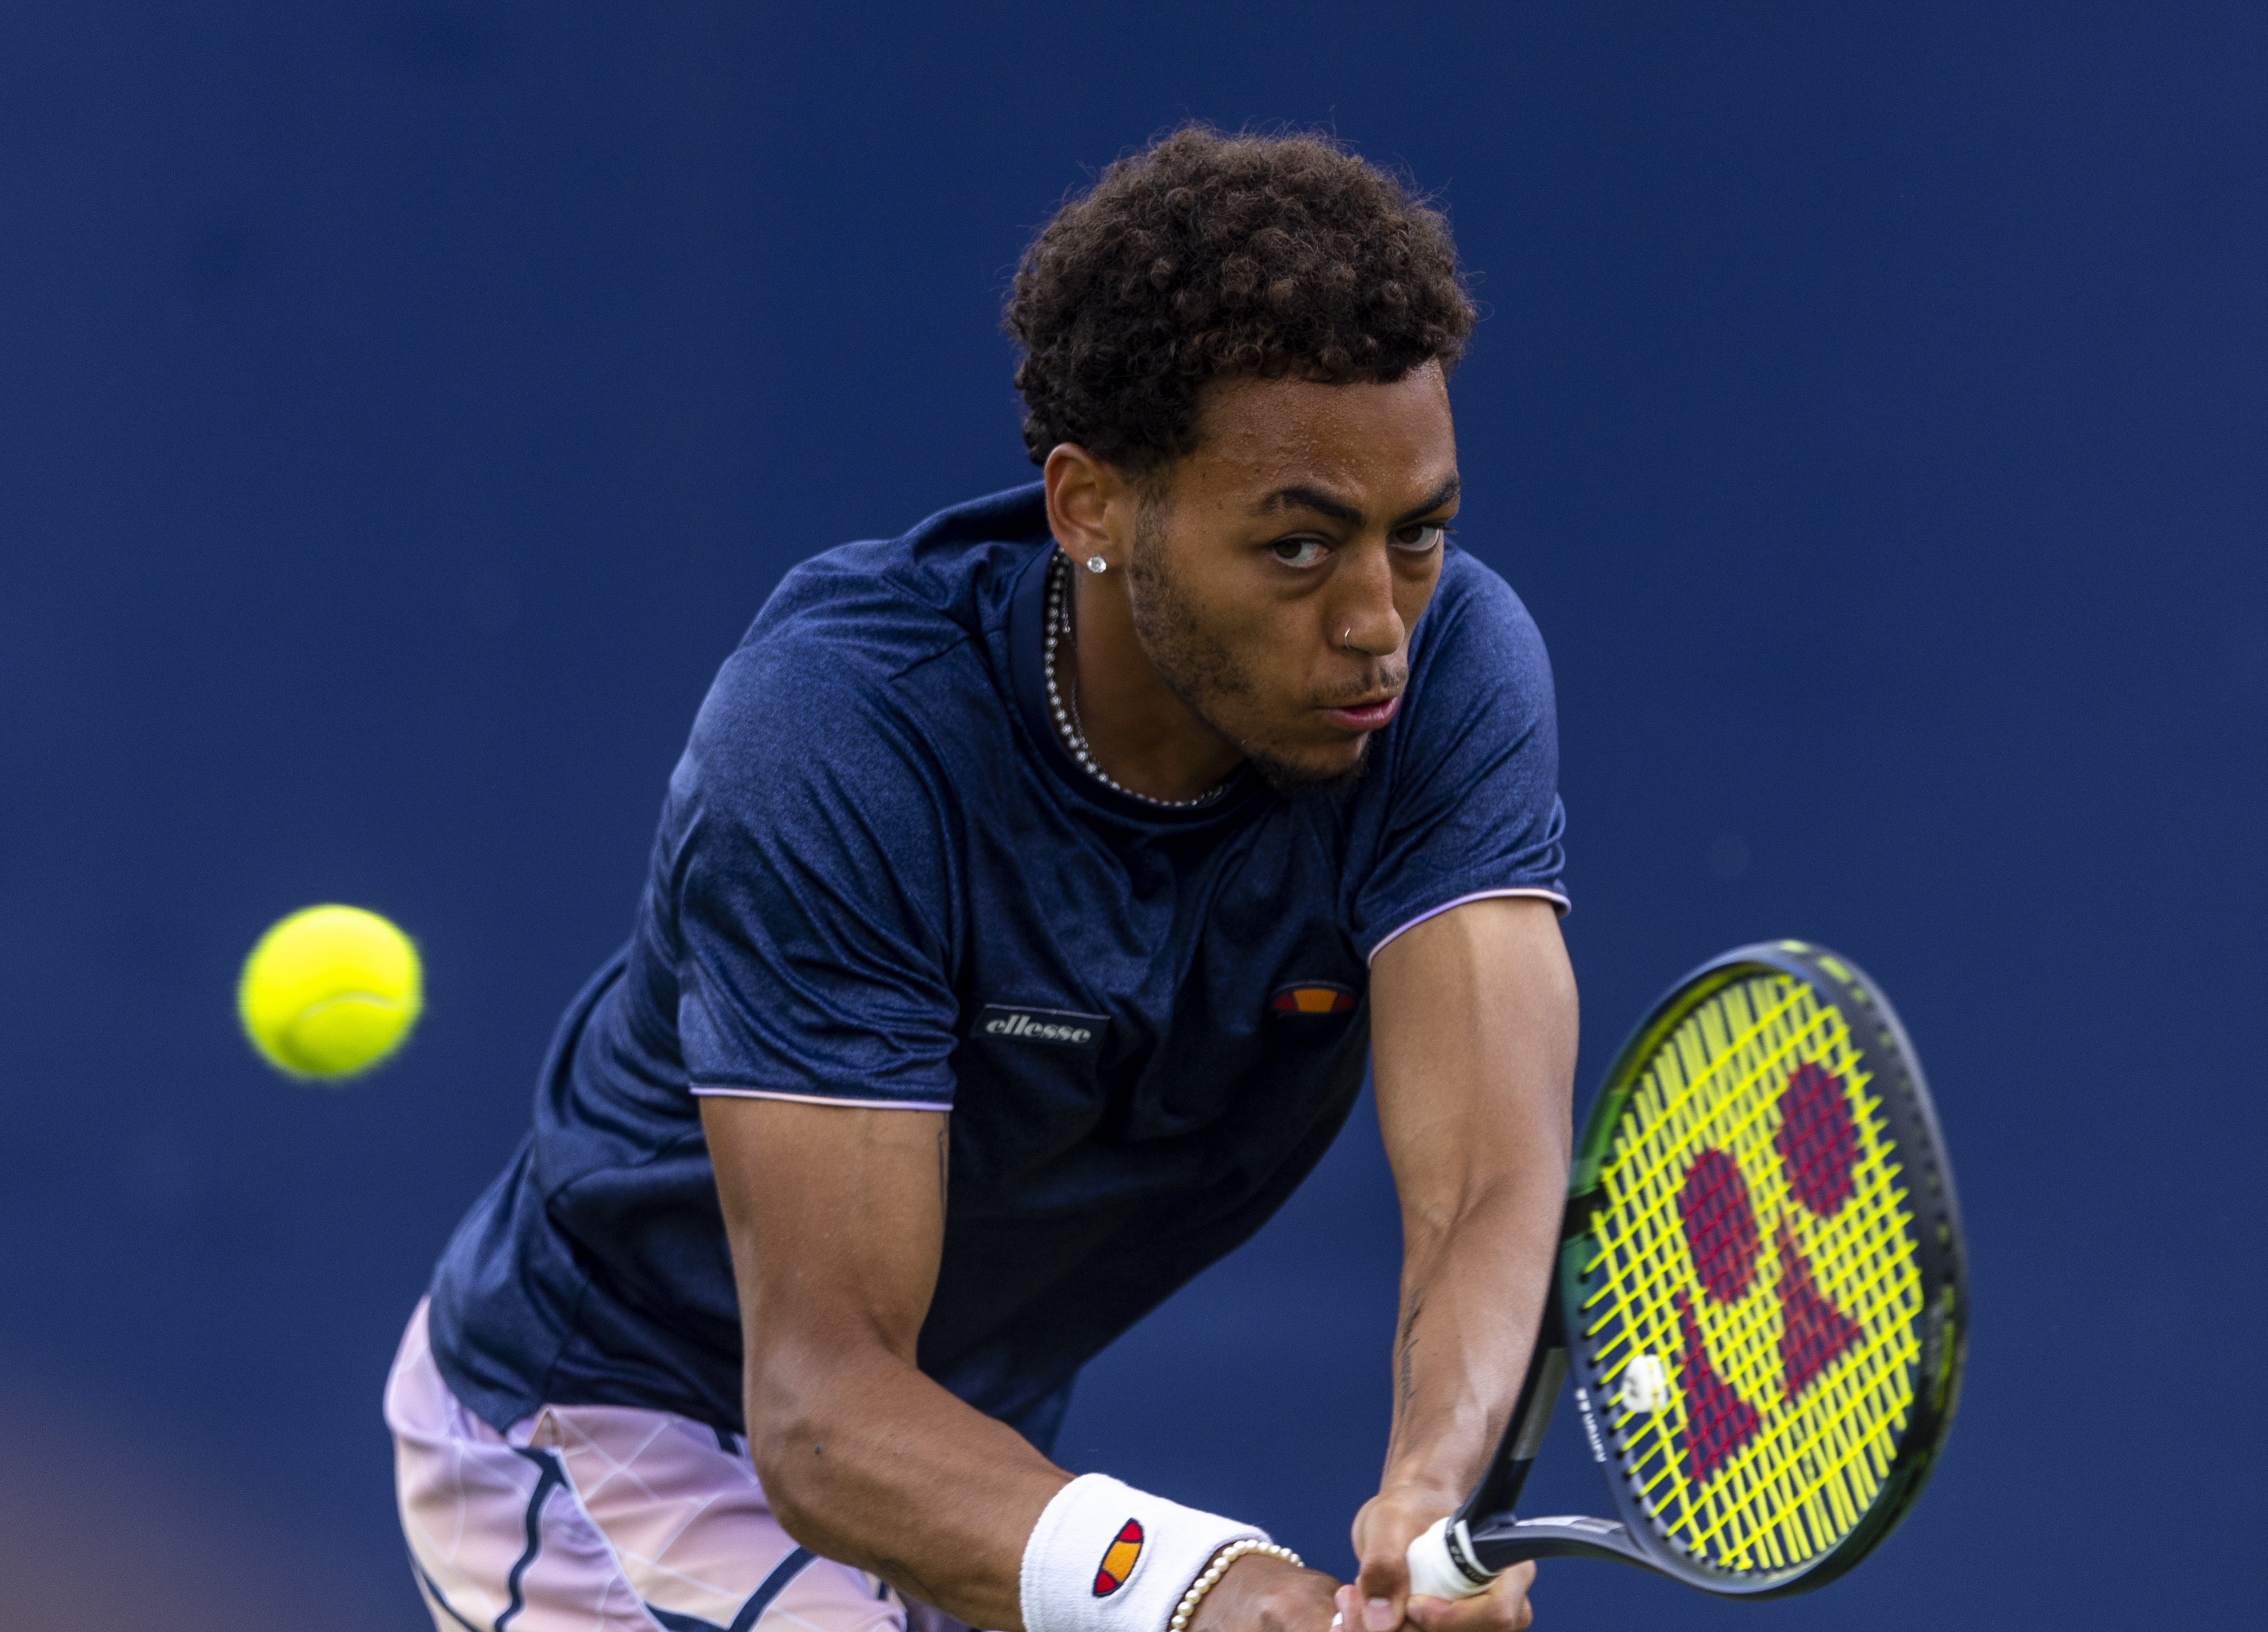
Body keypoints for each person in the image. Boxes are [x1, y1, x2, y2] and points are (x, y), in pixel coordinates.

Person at [386, 125, 1576, 1632]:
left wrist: (1431, 1494)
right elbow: (820, 1409)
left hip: (960, 1468)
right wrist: (1213, 1590)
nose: (1376, 623)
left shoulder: (1448, 676)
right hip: (620, 1428)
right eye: (1297, 546)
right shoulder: (840, 740)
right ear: (1089, 508)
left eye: (1419, 535)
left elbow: (1486, 1181)